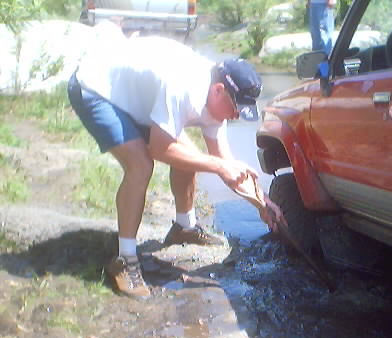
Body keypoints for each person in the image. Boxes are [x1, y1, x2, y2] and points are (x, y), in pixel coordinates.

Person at [68, 22, 283, 299]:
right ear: (219, 90)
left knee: (192, 156)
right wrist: (218, 166)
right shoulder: (184, 88)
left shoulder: (217, 100)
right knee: (141, 166)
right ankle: (125, 260)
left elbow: (225, 163)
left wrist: (262, 203)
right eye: (234, 108)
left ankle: (184, 227)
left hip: (139, 96)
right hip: (96, 88)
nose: (235, 116)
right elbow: (161, 149)